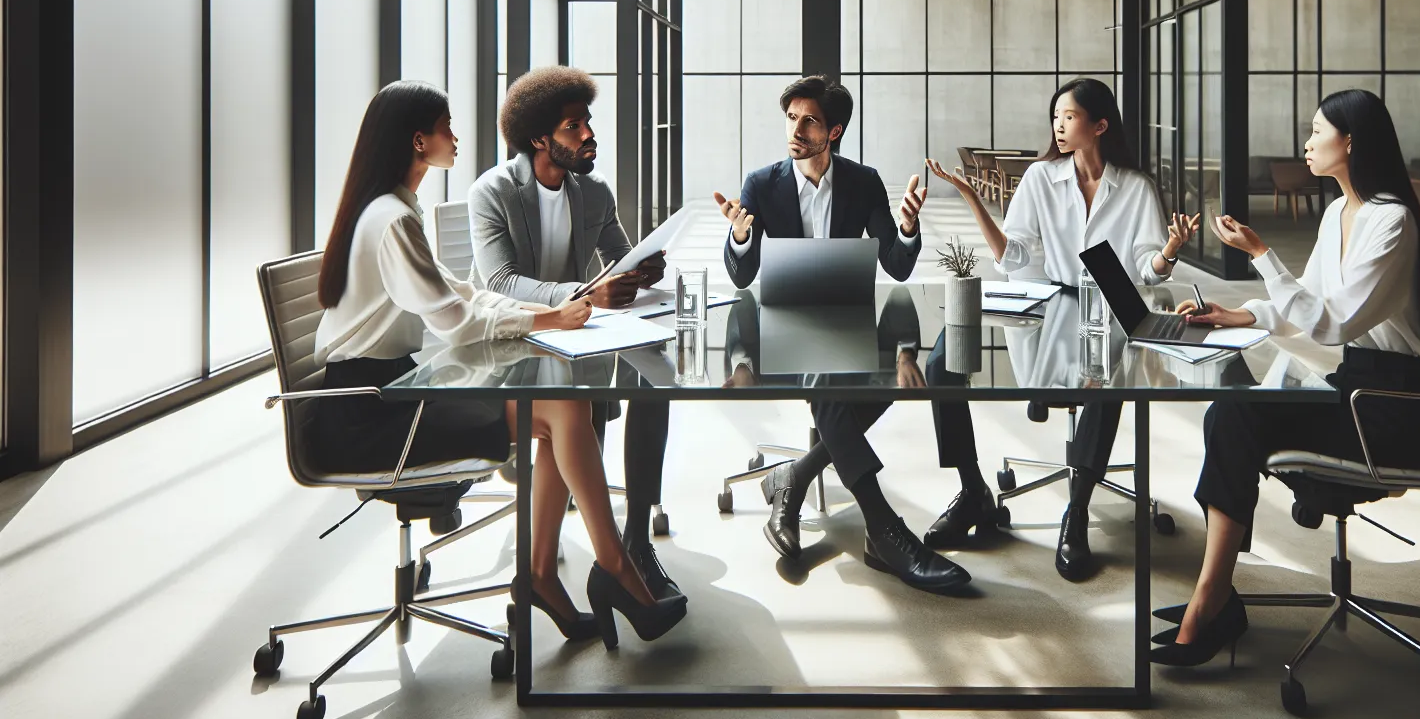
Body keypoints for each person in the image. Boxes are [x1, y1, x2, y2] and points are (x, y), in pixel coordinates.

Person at [312, 80, 686, 649]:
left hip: (393, 391)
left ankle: (549, 575)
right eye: (446, 128)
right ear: (419, 142)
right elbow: (455, 320)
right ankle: (615, 572)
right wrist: (546, 319)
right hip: (371, 414)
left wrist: (551, 310)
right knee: (564, 409)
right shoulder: (392, 218)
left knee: (567, 406)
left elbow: (462, 292)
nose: (456, 137)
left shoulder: (396, 210)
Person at [1150, 87, 1420, 667]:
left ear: (1350, 141)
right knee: (1231, 409)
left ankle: (1210, 602)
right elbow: (1305, 305)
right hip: (1354, 388)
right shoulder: (1339, 212)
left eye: (1316, 131)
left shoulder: (1392, 222)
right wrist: (1237, 314)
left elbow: (1332, 323)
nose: (1306, 143)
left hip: (1387, 409)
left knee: (1237, 413)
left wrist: (1262, 254)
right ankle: (1216, 596)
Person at [924, 77, 1197, 580]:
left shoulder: (1136, 188)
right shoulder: (1040, 177)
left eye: (1068, 117)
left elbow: (1145, 269)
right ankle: (971, 490)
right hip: (1049, 303)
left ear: (1099, 125)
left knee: (1109, 374)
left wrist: (1168, 254)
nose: (1058, 125)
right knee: (944, 357)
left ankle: (1078, 509)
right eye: (1055, 117)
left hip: (1112, 306)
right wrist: (973, 202)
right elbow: (1015, 258)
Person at [711, 75, 967, 592]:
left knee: (884, 384)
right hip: (779, 322)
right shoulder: (762, 184)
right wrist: (740, 236)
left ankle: (794, 476)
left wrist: (909, 229)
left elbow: (895, 267)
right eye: (791, 118)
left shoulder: (862, 182)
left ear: (835, 131)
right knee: (831, 386)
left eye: (809, 121)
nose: (796, 129)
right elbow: (741, 276)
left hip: (847, 318)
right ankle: (884, 528)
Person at [468, 66, 680, 602]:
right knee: (580, 405)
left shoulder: (593, 191)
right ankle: (593, 555)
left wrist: (640, 271)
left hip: (578, 335)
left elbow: (617, 259)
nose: (588, 135)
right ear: (539, 138)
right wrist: (582, 294)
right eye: (572, 127)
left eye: (586, 122)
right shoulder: (492, 192)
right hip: (512, 343)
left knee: (655, 384)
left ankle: (635, 534)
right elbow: (499, 281)